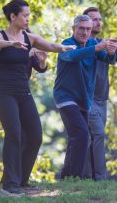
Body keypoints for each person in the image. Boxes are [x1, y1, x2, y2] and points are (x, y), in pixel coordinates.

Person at [0, 0, 75, 195]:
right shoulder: (0, 36)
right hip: (4, 92)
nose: (28, 19)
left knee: (35, 136)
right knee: (14, 134)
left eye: (28, 15)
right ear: (13, 16)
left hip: (23, 92)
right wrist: (12, 43)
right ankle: (10, 184)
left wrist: (64, 48)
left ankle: (22, 179)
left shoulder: (30, 38)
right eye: (25, 15)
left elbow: (51, 46)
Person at [53, 15, 117, 179]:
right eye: (81, 28)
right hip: (65, 97)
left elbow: (108, 60)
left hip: (83, 99)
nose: (85, 32)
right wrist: (97, 48)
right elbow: (73, 56)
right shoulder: (67, 44)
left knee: (76, 137)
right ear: (74, 28)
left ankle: (66, 177)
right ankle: (76, 177)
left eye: (88, 29)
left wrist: (111, 52)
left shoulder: (92, 44)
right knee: (82, 134)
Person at [83, 7, 117, 181]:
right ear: (85, 23)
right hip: (87, 99)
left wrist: (112, 50)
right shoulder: (81, 44)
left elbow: (111, 59)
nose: (98, 22)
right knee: (97, 135)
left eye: (99, 19)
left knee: (91, 137)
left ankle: (88, 177)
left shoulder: (105, 43)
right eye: (94, 19)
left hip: (102, 99)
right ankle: (99, 178)